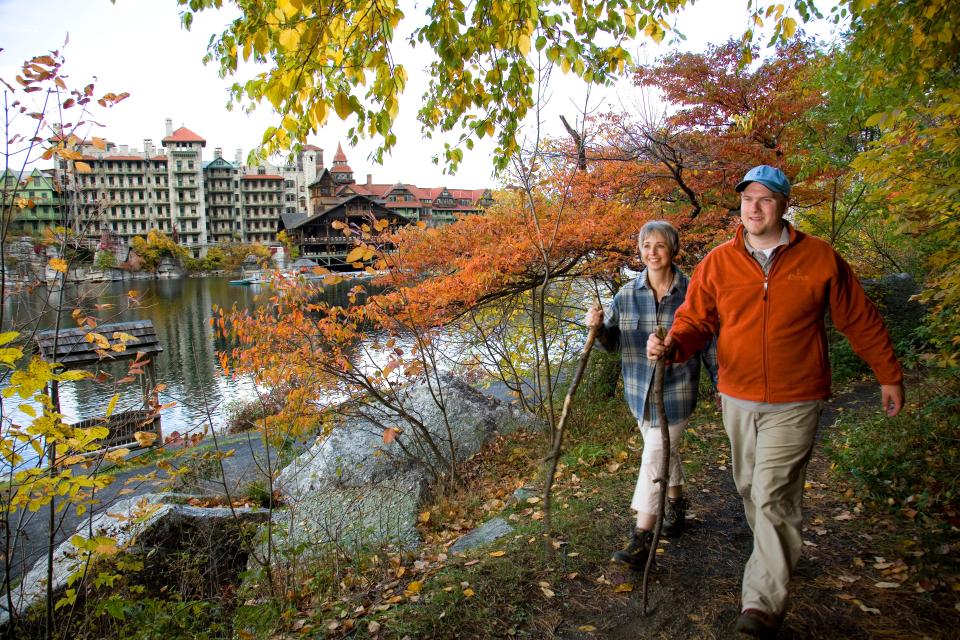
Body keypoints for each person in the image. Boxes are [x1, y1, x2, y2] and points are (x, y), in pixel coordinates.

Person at [646, 165, 904, 639]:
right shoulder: (719, 263)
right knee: (749, 488)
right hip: (737, 395)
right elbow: (694, 320)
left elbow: (860, 318)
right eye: (747, 200)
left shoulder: (820, 258)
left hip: (797, 397)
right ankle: (777, 550)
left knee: (772, 495)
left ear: (785, 204)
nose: (754, 208)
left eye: (765, 199)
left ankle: (761, 605)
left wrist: (888, 374)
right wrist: (672, 345)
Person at [586, 220, 718, 571]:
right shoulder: (626, 295)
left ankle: (642, 537)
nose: (652, 252)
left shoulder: (693, 292)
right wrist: (597, 329)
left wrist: (721, 386)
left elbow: (709, 344)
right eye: (647, 246)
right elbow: (612, 344)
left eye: (660, 245)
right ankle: (676, 506)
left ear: (673, 250)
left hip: (678, 392)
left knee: (655, 454)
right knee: (662, 451)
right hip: (637, 393)